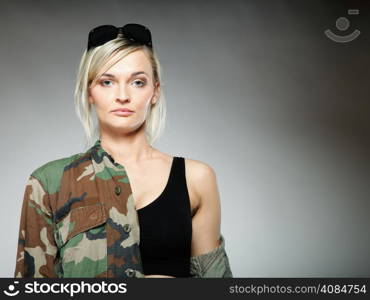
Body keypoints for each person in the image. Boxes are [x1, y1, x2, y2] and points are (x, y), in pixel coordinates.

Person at [14, 24, 232, 278]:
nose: (122, 95)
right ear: (89, 92)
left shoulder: (196, 178)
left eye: (138, 82)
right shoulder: (49, 182)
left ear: (155, 92)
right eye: (107, 82)